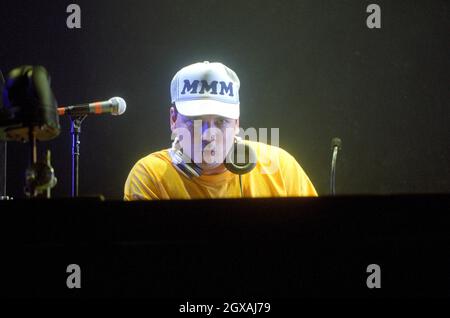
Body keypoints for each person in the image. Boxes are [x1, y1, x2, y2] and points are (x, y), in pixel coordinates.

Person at [124, 61, 318, 200]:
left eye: (221, 121)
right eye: (195, 120)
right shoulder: (150, 176)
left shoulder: (281, 168)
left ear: (236, 123)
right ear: (173, 119)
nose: (209, 134)